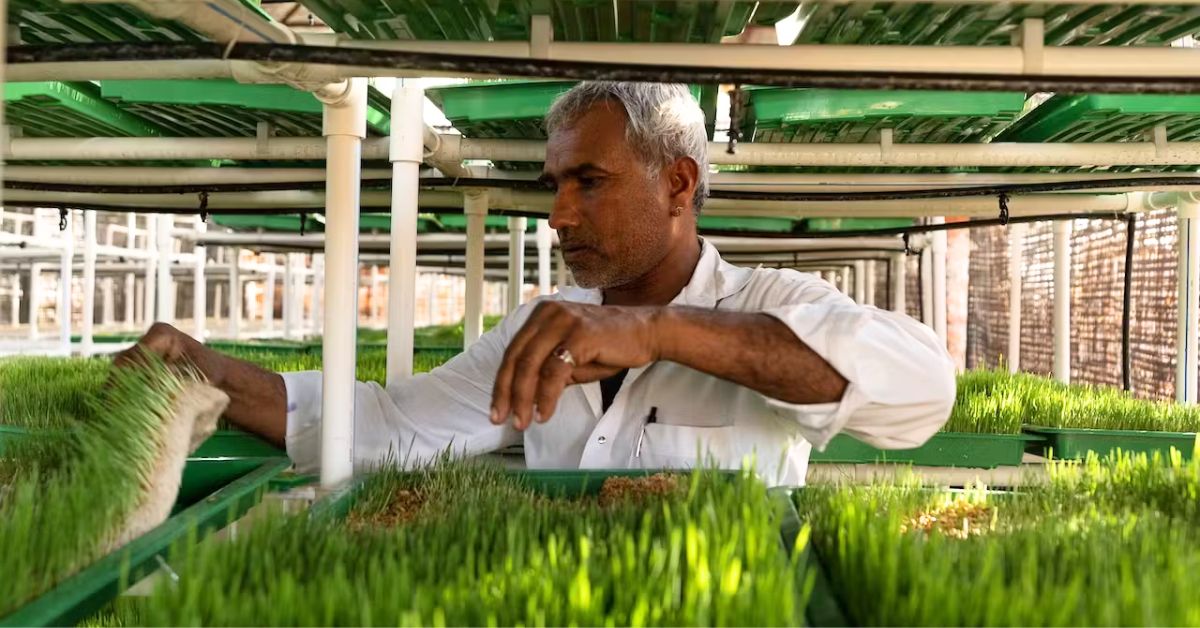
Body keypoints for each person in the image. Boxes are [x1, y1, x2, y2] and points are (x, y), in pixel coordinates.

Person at [123, 82, 955, 486]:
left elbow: (922, 393)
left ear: (676, 185)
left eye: (587, 182)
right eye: (554, 183)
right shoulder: (545, 328)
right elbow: (388, 428)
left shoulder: (771, 305)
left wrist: (659, 332)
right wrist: (210, 374)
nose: (557, 214)